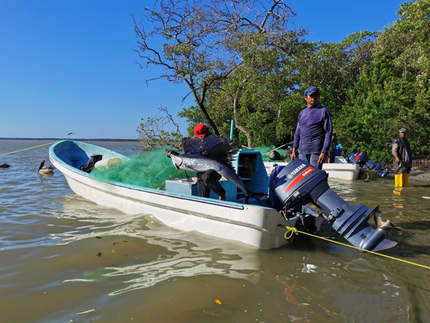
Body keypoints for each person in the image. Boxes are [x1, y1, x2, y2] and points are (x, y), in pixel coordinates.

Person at [291, 86, 333, 169]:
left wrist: (324, 151)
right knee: (303, 178)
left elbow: (328, 132)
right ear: (305, 97)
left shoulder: (323, 111)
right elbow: (297, 132)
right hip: (302, 152)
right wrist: (294, 149)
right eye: (311, 96)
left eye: (316, 95)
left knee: (314, 177)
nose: (314, 98)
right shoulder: (302, 113)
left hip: (316, 152)